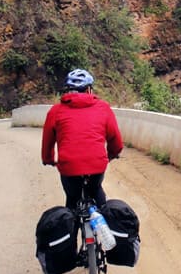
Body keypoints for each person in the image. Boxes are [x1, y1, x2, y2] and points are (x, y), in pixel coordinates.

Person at [41, 68, 123, 210]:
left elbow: (47, 142)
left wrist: (48, 159)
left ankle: (71, 225)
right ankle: (104, 221)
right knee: (96, 189)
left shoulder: (55, 111)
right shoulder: (103, 108)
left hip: (69, 166)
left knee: (72, 199)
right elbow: (115, 139)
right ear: (89, 90)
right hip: (97, 164)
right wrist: (112, 154)